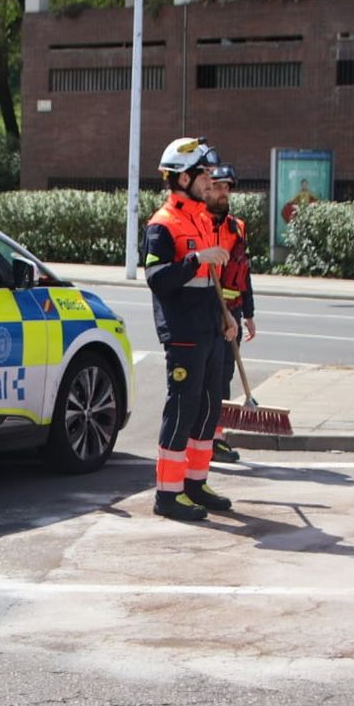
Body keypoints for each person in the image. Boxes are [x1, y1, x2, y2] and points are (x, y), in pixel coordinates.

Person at [145, 137, 238, 522]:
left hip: (210, 328)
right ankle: (168, 493)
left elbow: (210, 281)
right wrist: (196, 257)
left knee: (208, 408)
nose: (210, 182)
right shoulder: (163, 224)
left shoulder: (199, 219)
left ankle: (195, 483)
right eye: (203, 175)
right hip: (184, 332)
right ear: (183, 178)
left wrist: (227, 316)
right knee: (183, 409)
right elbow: (156, 278)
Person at [205, 162, 256, 463]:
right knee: (205, 377)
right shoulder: (201, 225)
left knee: (223, 376)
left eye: (227, 187)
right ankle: (198, 436)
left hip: (231, 314)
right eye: (218, 186)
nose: (223, 192)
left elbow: (243, 272)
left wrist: (248, 313)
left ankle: (216, 437)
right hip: (207, 312)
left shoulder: (237, 227)